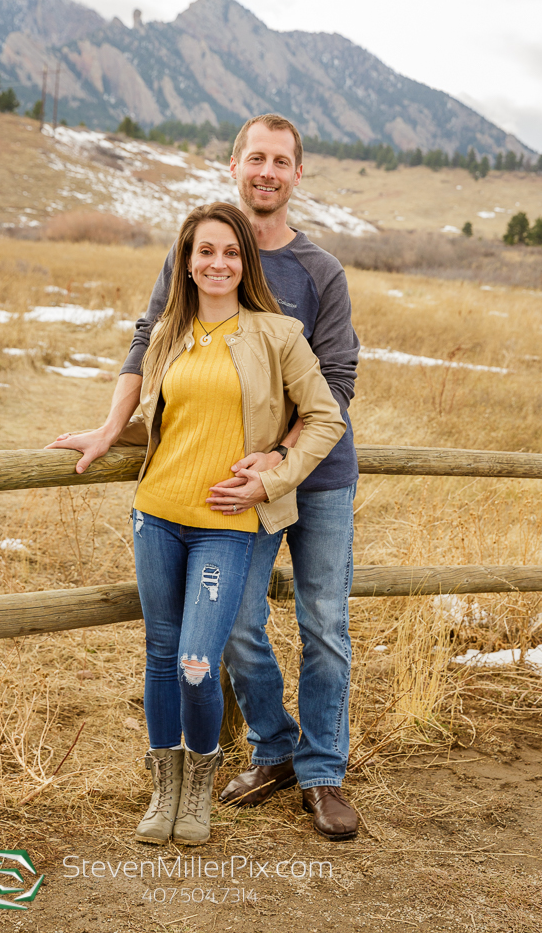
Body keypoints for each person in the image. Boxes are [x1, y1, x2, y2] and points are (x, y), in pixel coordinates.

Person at [46, 201, 345, 847]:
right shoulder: (166, 336)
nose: (217, 263)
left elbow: (326, 418)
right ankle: (166, 788)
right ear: (186, 261)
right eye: (204, 251)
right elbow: (166, 419)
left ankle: (201, 789)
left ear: (246, 262)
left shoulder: (276, 335)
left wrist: (272, 477)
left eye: (230, 252)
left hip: (225, 524)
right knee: (159, 654)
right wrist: (106, 432)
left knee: (194, 661)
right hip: (156, 515)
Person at [116, 114, 362, 841]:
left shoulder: (318, 271)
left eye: (280, 161)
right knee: (238, 627)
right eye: (256, 157)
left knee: (323, 624)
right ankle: (273, 746)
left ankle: (320, 775)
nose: (267, 171)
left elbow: (335, 384)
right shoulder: (195, 250)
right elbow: (151, 335)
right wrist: (111, 428)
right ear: (234, 165)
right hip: (232, 484)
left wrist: (279, 458)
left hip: (315, 480)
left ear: (295, 174)